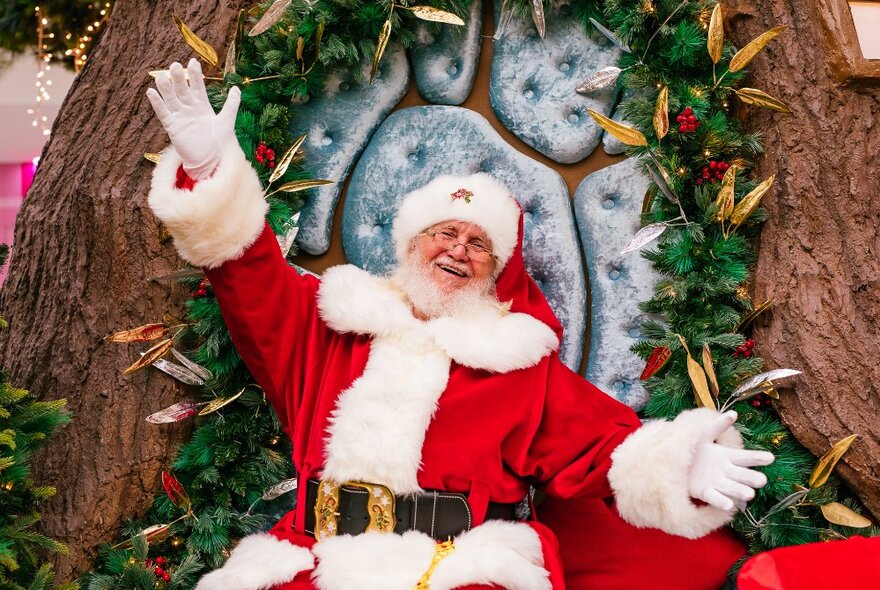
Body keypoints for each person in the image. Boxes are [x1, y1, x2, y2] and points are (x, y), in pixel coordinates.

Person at [145, 59, 775, 590]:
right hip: (313, 555)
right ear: (411, 243)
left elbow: (604, 446)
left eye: (480, 244)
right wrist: (210, 175)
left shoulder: (518, 366)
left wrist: (676, 464)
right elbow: (248, 277)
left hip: (454, 565)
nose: (458, 250)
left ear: (495, 273)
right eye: (444, 232)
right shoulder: (328, 328)